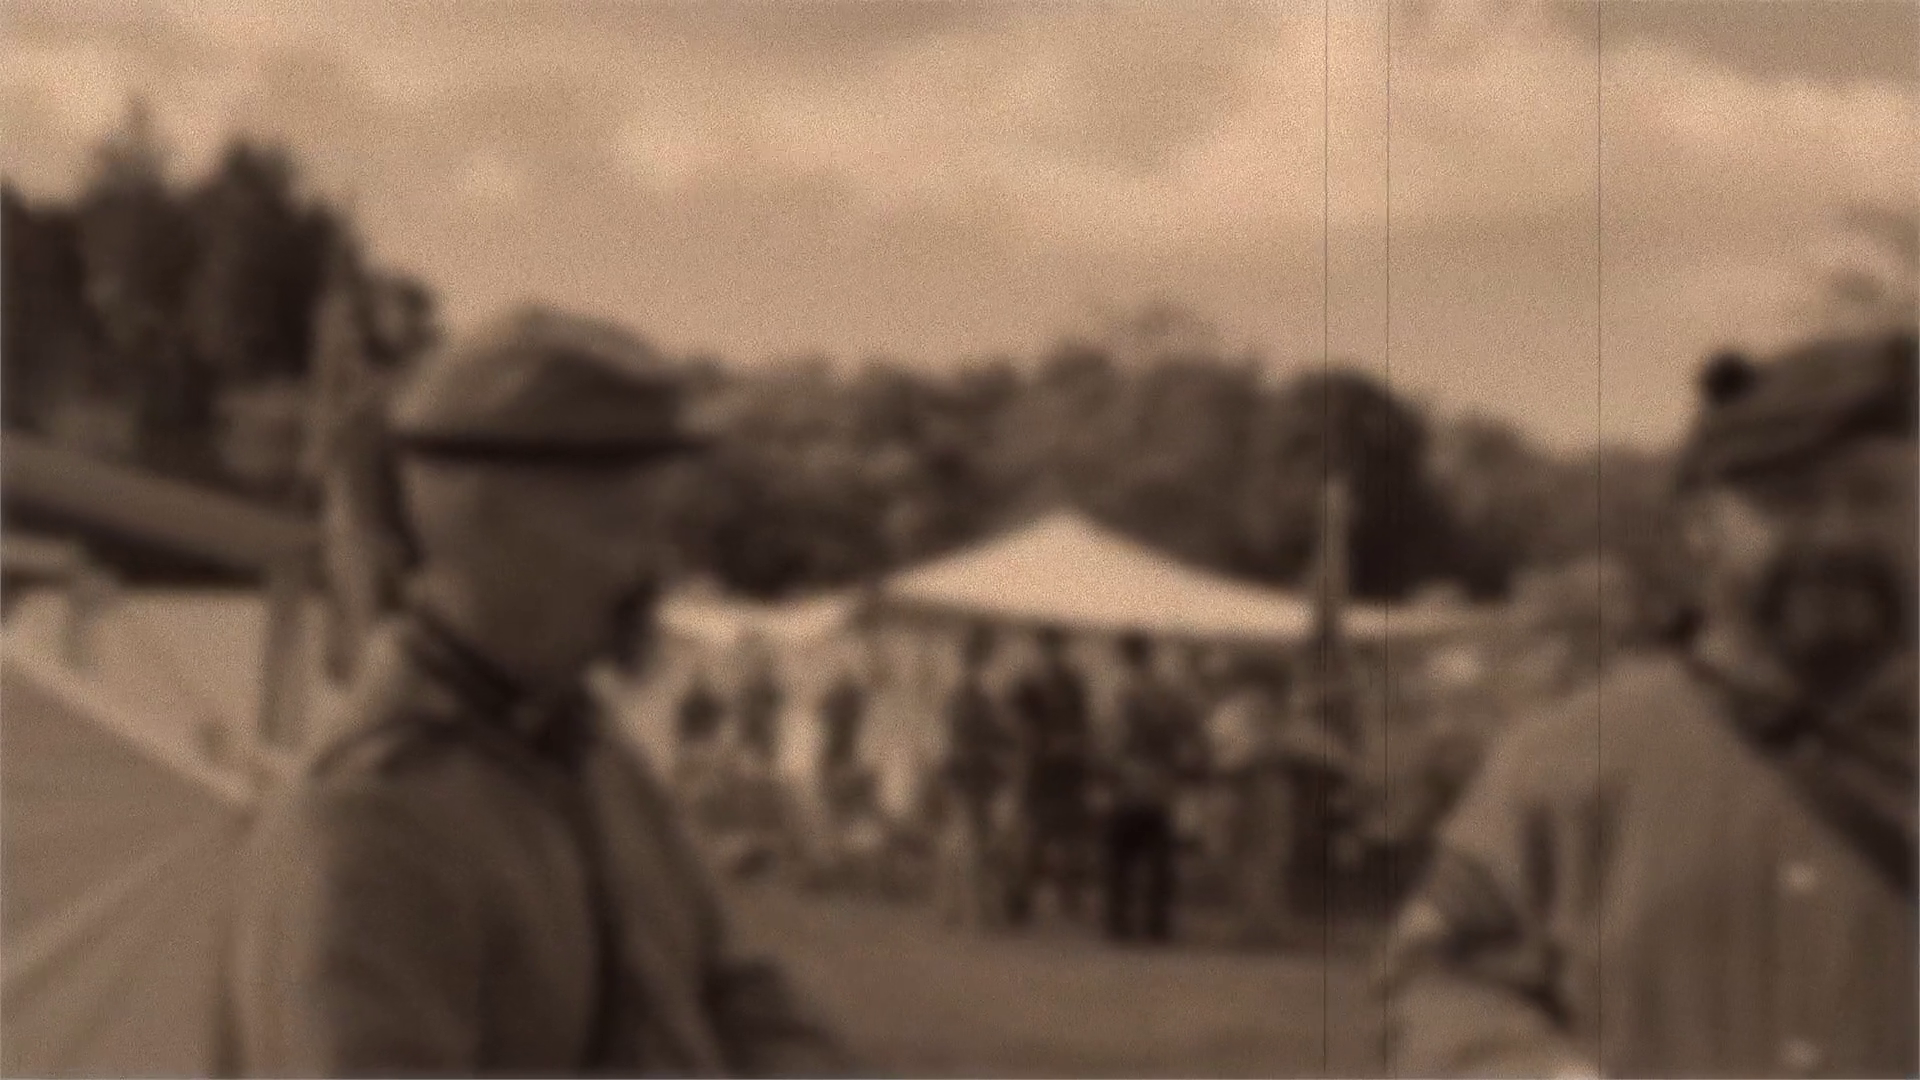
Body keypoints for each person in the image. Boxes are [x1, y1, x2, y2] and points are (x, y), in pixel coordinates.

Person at [226, 305, 852, 1076]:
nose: (655, 568)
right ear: (489, 523)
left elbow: (738, 994)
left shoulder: (596, 758)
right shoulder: (368, 826)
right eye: (622, 524)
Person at [1379, 332, 1918, 1078]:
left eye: (1878, 495)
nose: (1839, 534)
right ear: (1700, 528)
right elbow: (1438, 982)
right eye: (1788, 501)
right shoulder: (1563, 761)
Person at [1102, 633, 1210, 943]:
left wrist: (1108, 770)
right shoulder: (1166, 691)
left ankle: (1120, 921)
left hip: (1128, 779)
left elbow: (1113, 738)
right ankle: (1156, 923)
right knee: (1158, 853)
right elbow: (1188, 729)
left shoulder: (1119, 690)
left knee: (1121, 855)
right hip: (1160, 781)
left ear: (1123, 654)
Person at [1005, 625, 1097, 925]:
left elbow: (1084, 724)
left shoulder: (1073, 684)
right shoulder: (1028, 685)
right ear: (1040, 649)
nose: (1052, 654)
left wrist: (1075, 745)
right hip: (1040, 769)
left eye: (1056, 647)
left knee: (1067, 836)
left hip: (1067, 769)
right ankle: (1019, 900)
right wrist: (1041, 744)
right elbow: (1018, 725)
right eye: (1048, 647)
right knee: (1033, 834)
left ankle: (1067, 898)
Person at [937, 625, 1019, 928]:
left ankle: (956, 907)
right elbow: (989, 731)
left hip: (963, 768)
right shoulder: (974, 693)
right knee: (973, 839)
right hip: (974, 771)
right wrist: (1006, 736)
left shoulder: (961, 690)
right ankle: (972, 910)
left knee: (962, 837)